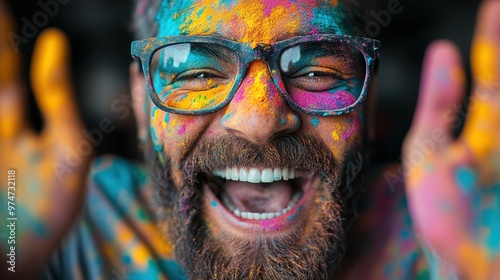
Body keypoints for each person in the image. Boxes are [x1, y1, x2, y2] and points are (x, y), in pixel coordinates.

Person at [1, 0, 499, 279]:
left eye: (318, 71)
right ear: (139, 101)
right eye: (195, 71)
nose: (259, 119)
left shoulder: (449, 238)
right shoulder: (58, 228)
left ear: (367, 107)